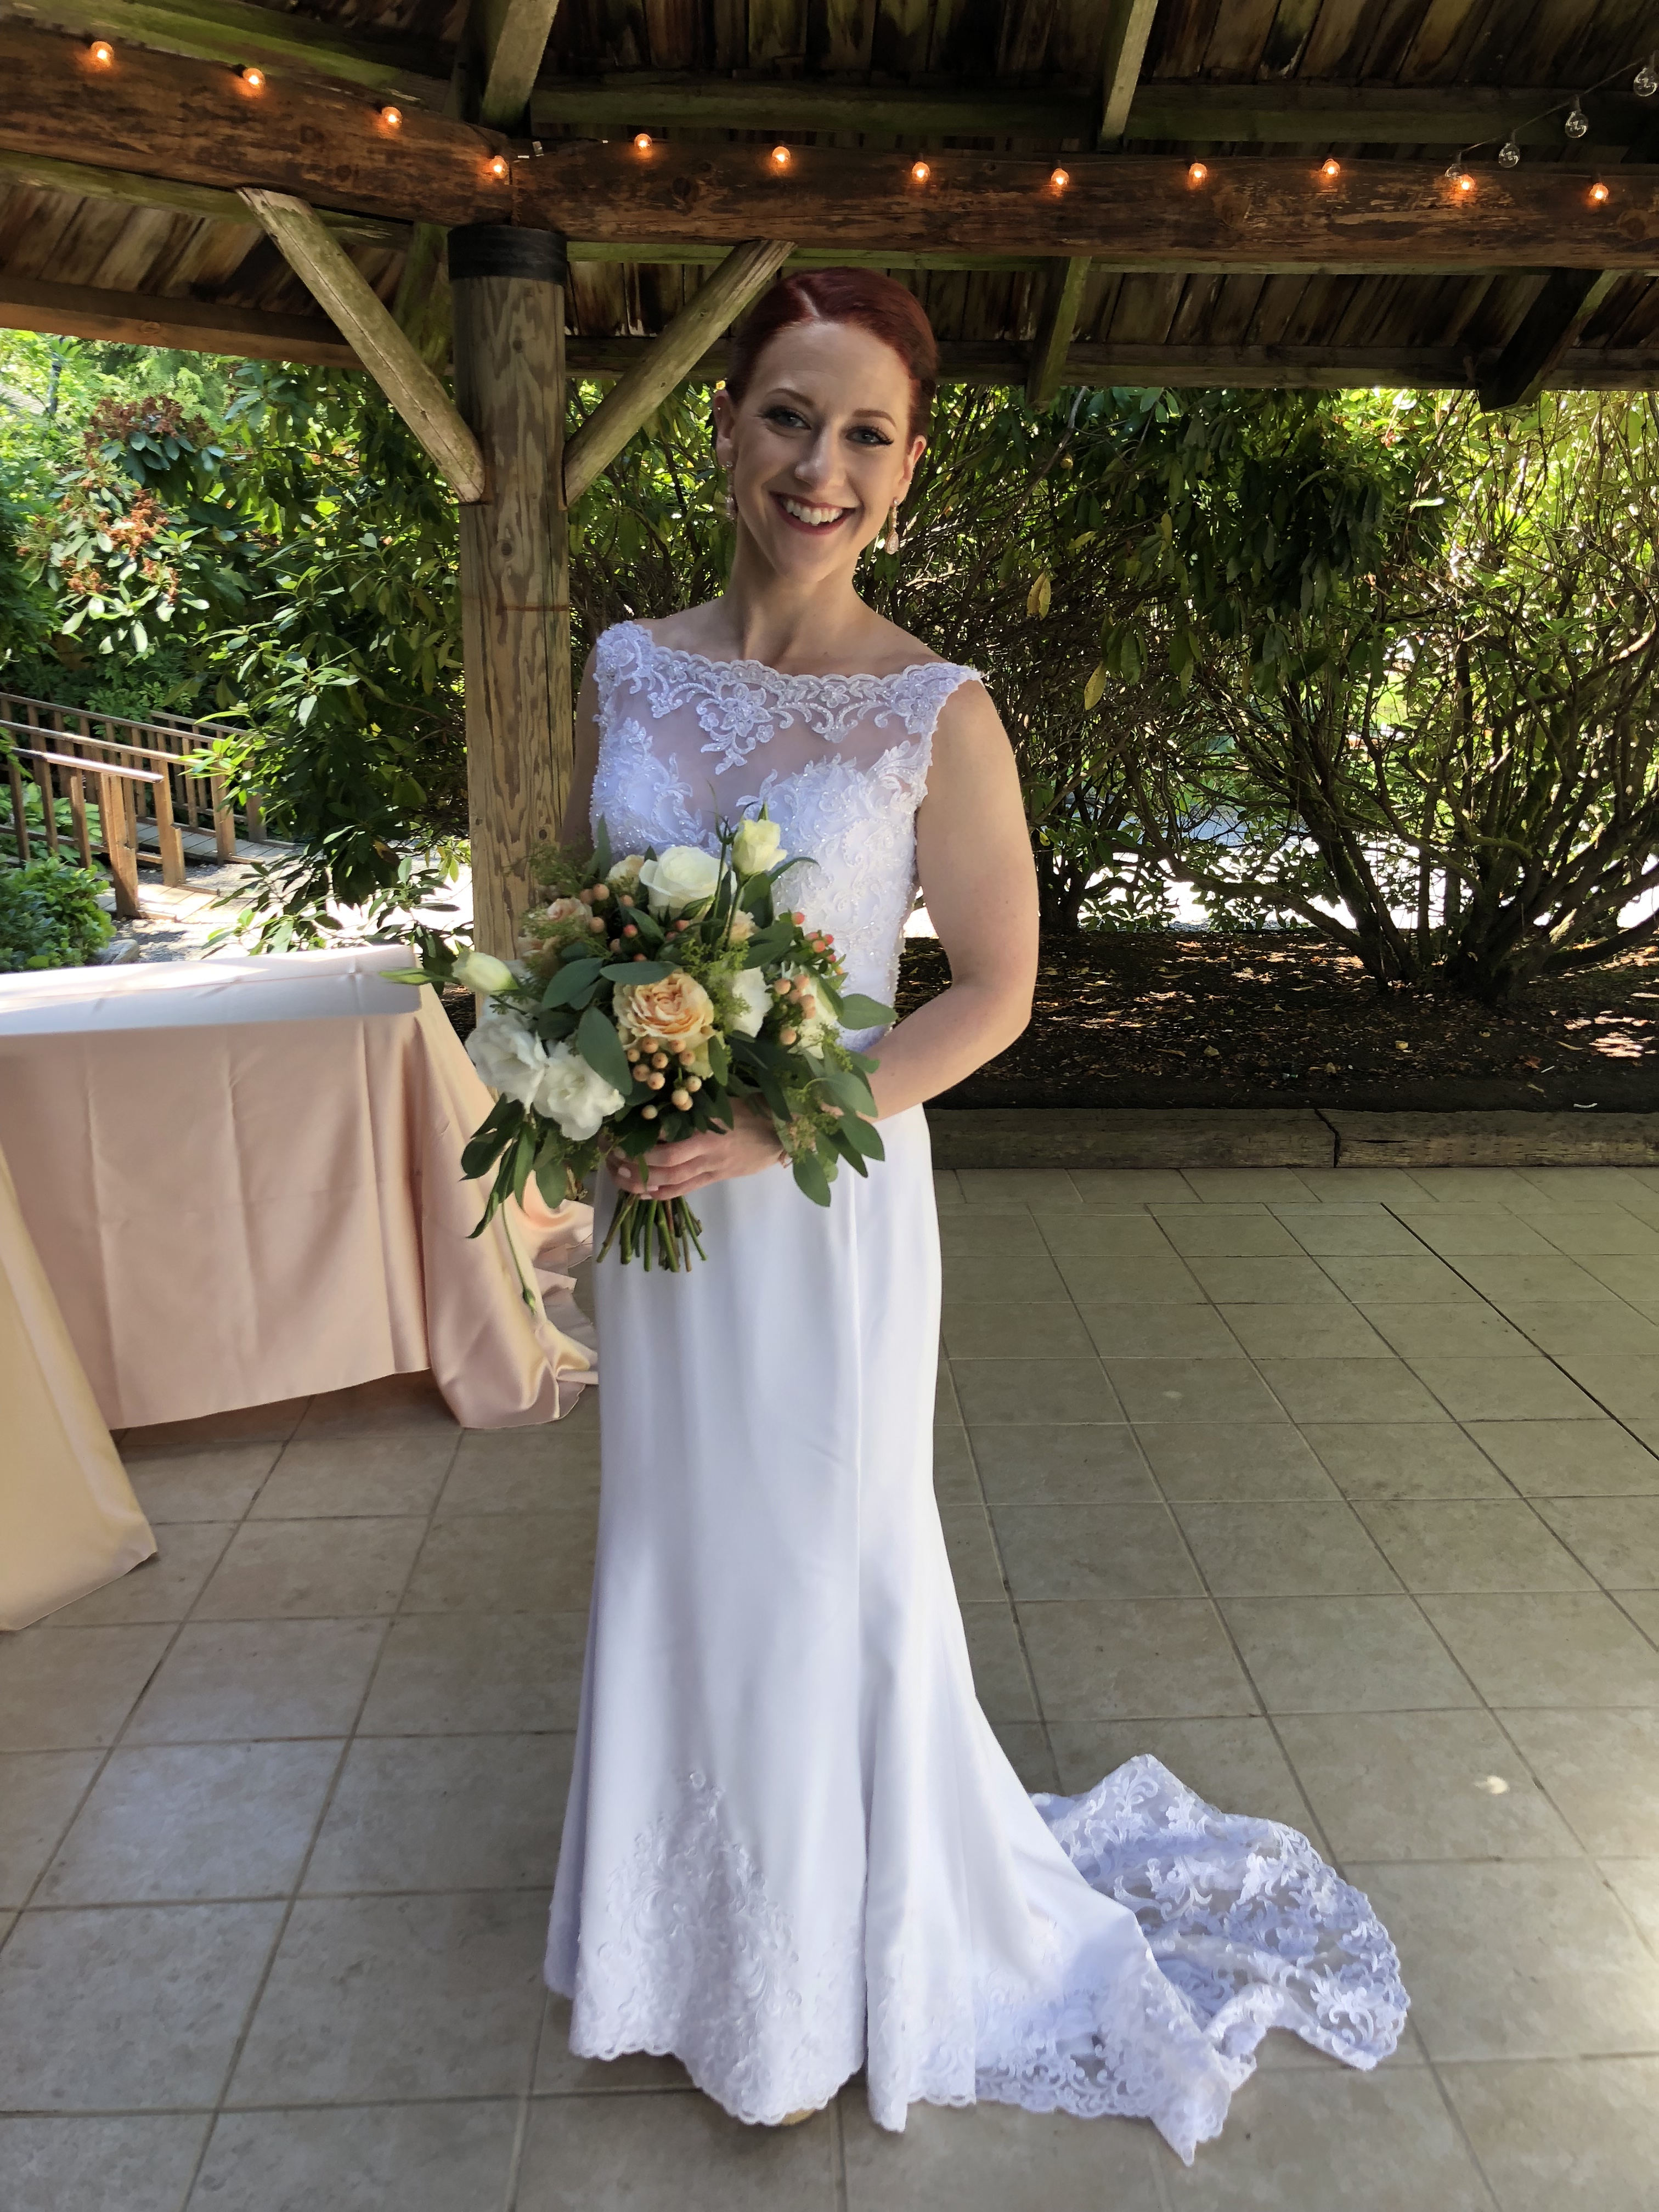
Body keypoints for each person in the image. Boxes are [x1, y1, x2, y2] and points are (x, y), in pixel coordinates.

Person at [543, 269, 1406, 2163]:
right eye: (790, 416)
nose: (820, 465)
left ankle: (816, 1979)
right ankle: (675, 1942)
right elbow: (594, 927)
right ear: (726, 428)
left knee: (816, 1560)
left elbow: (995, 995)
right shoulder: (628, 665)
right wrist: (593, 1081)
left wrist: (770, 1126)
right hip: (661, 1205)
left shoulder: (934, 709)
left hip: (823, 1204)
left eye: (865, 433)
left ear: (910, 469)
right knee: (677, 1546)